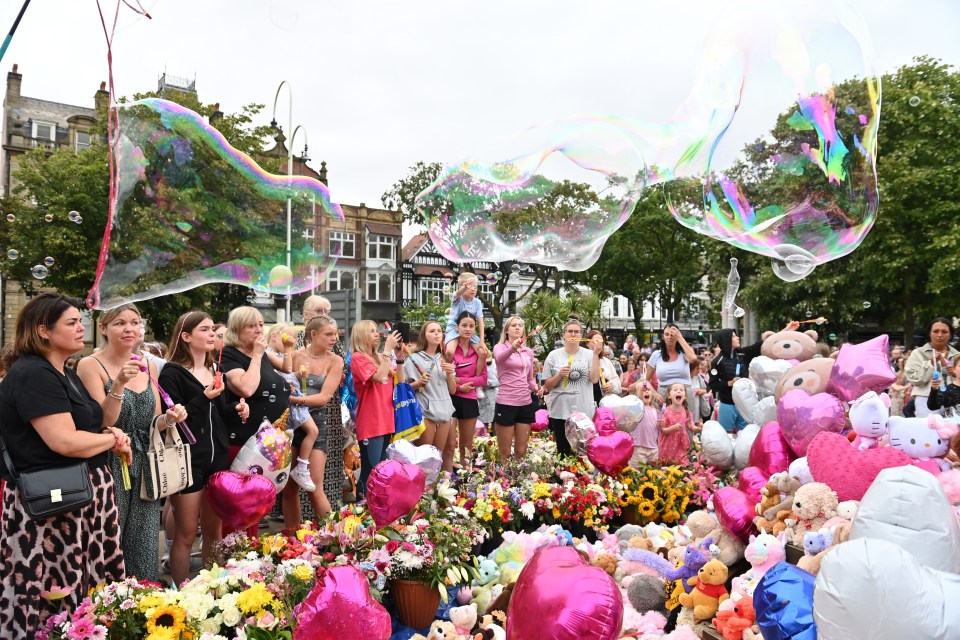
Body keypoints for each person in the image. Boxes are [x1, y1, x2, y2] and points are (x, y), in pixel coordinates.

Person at [0, 293, 132, 635]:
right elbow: (65, 441)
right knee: (55, 594)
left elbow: (97, 419)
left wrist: (117, 388)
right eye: (71, 322)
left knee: (82, 592)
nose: (81, 327)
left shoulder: (62, 370)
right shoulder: (33, 374)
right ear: (44, 330)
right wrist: (114, 440)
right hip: (53, 509)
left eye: (80, 320)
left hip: (79, 500)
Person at [77, 303, 185, 583]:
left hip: (146, 460)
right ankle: (107, 608)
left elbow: (155, 420)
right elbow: (101, 421)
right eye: (120, 323)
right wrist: (118, 386)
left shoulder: (148, 364)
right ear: (103, 328)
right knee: (109, 537)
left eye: (135, 323)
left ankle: (142, 603)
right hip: (110, 459)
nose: (129, 329)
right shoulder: (90, 364)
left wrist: (171, 419)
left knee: (145, 539)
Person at [158, 311, 248, 586]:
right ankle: (182, 592)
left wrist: (238, 408)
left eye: (213, 330)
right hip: (188, 459)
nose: (212, 335)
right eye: (205, 330)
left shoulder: (214, 370)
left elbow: (219, 412)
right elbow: (172, 416)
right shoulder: (172, 373)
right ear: (185, 337)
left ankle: (213, 589)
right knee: (186, 533)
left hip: (217, 457)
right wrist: (203, 396)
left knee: (214, 530)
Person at [220, 307, 291, 533]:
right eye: (251, 326)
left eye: (261, 324)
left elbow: (287, 370)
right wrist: (258, 355)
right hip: (242, 443)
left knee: (255, 507)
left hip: (264, 444)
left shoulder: (259, 354)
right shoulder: (231, 354)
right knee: (239, 508)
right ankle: (230, 560)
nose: (258, 330)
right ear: (237, 330)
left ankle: (247, 559)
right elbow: (246, 388)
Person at [284, 315, 344, 525]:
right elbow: (284, 379)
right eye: (328, 334)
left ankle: (333, 538)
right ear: (313, 334)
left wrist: (293, 398)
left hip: (317, 423)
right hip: (292, 423)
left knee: (314, 486)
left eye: (334, 334)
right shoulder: (296, 355)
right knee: (290, 486)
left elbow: (324, 397)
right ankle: (292, 537)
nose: (333, 338)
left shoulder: (335, 360)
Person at [707, 324, 796, 433]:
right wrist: (729, 383)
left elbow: (763, 343)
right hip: (727, 404)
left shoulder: (743, 354)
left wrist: (786, 329)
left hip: (745, 405)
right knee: (726, 434)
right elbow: (712, 384)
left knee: (745, 433)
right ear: (726, 340)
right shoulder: (717, 362)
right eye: (734, 336)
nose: (738, 338)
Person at [350, 320, 401, 499]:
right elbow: (379, 377)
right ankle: (361, 508)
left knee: (380, 471)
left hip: (386, 419)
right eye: (371, 331)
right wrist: (387, 351)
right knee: (370, 470)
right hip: (371, 421)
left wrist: (400, 357)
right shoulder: (358, 358)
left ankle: (375, 508)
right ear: (361, 335)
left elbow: (399, 381)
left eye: (376, 330)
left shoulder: (379, 357)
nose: (377, 334)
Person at [265, 323, 318, 492]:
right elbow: (285, 368)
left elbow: (287, 372)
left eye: (292, 342)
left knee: (292, 437)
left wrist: (298, 375)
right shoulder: (268, 353)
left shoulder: (279, 354)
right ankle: (301, 468)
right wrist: (288, 351)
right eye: (287, 339)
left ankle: (298, 467)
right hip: (290, 402)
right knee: (313, 431)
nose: (290, 345)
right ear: (274, 336)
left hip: (291, 399)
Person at [542, 321, 601, 456]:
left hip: (583, 411)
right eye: (570, 331)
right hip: (560, 410)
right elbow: (547, 386)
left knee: (584, 452)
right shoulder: (553, 355)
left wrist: (596, 354)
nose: (573, 334)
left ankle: (582, 477)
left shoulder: (589, 354)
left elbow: (594, 379)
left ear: (581, 335)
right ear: (564, 335)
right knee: (563, 452)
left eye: (577, 332)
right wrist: (559, 375)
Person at [403, 321, 456, 453]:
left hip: (444, 411)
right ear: (424, 336)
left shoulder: (444, 358)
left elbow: (453, 390)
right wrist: (419, 382)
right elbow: (404, 388)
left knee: (437, 458)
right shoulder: (413, 359)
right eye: (432, 331)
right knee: (423, 458)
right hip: (425, 412)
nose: (437, 333)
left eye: (439, 330)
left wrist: (450, 375)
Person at [493, 316, 538, 462]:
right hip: (506, 402)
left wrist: (537, 388)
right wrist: (513, 348)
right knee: (505, 453)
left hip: (525, 402)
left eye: (520, 325)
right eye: (513, 325)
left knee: (521, 451)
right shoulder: (500, 347)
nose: (517, 327)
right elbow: (500, 359)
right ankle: (505, 482)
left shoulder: (528, 352)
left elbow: (529, 378)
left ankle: (518, 481)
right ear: (507, 330)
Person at [447, 312, 488, 470]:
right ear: (457, 327)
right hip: (450, 398)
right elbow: (444, 376)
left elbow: (483, 379)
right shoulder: (449, 348)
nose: (467, 329)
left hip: (469, 399)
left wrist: (460, 381)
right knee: (450, 445)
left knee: (466, 445)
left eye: (471, 326)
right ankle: (447, 477)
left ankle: (466, 478)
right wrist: (457, 386)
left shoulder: (478, 350)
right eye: (464, 325)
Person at [904, 317, 959, 418]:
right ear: (929, 333)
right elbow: (914, 379)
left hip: (954, 398)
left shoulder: (957, 355)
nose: (939, 335)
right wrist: (930, 363)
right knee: (929, 430)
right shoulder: (918, 353)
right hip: (926, 398)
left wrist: (954, 374)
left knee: (955, 431)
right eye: (935, 331)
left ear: (950, 334)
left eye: (944, 332)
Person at [649, 324, 698, 414]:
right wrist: (655, 394)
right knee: (665, 425)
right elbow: (646, 380)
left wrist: (680, 337)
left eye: (672, 335)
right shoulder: (656, 355)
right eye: (666, 334)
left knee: (687, 425)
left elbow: (693, 359)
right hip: (664, 395)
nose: (669, 337)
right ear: (663, 336)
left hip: (684, 393)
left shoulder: (684, 353)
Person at [444, 273, 485, 360]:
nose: (473, 289)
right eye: (470, 286)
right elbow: (457, 294)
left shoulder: (477, 302)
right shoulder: (458, 298)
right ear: (461, 287)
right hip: (454, 329)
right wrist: (465, 287)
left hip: (469, 330)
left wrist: (482, 341)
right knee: (449, 351)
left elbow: (481, 321)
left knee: (483, 353)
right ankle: (449, 371)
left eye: (475, 286)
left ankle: (478, 374)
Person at [658, 383, 694, 465]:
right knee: (667, 466)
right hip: (668, 445)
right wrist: (673, 428)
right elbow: (662, 431)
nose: (678, 391)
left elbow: (691, 426)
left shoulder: (686, 411)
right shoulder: (665, 411)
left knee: (682, 465)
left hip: (681, 444)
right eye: (675, 390)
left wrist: (700, 427)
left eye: (681, 390)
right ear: (669, 396)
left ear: (685, 397)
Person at [630, 380, 661, 467]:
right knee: (636, 474)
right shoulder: (636, 408)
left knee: (653, 475)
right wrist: (639, 388)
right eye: (642, 390)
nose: (646, 391)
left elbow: (658, 429)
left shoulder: (656, 411)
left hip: (653, 449)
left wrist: (661, 424)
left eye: (648, 389)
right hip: (638, 448)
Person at [587, 331, 621, 402]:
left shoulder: (606, 361)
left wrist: (611, 385)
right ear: (587, 343)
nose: (598, 344)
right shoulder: (581, 360)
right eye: (595, 341)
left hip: (604, 401)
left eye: (601, 342)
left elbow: (617, 381)